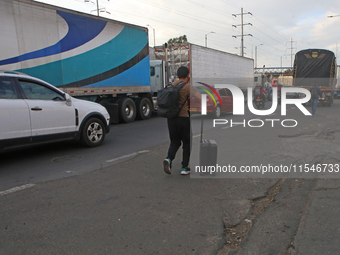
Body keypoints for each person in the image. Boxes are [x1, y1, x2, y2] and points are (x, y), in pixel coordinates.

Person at [163, 66, 201, 175]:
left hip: (171, 119)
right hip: (183, 118)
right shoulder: (188, 87)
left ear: (178, 75)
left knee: (175, 142)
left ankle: (169, 159)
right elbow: (200, 97)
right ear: (188, 76)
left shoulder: (171, 85)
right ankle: (185, 167)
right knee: (187, 143)